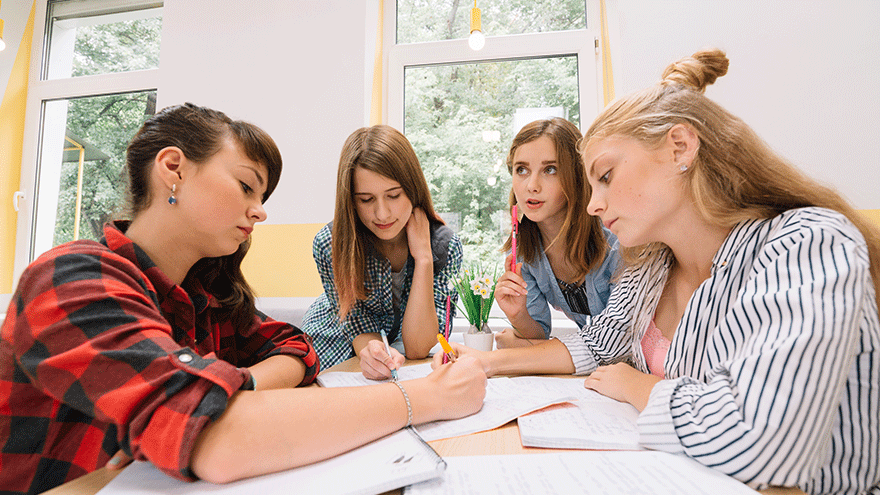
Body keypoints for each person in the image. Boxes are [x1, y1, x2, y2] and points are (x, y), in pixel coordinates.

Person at [436, 50, 880, 494]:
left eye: (605, 177)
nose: (592, 205)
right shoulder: (652, 264)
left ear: (680, 148)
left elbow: (764, 442)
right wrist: (486, 360)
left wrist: (638, 386)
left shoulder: (807, 243)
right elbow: (598, 345)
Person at [0, 104, 486, 495]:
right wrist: (428, 396)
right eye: (246, 185)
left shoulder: (206, 293)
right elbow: (216, 437)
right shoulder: (71, 277)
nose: (259, 211)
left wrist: (238, 385)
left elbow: (297, 348)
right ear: (173, 169)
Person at [302, 125, 462, 376]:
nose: (382, 214)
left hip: (402, 351)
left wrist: (423, 259)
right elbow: (358, 329)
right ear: (351, 201)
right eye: (366, 200)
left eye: (394, 195)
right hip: (333, 343)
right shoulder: (329, 244)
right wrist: (375, 354)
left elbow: (419, 347)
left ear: (413, 189)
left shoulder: (445, 247)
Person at [493, 117, 620, 349]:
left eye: (550, 170)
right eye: (521, 169)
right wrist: (518, 314)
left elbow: (617, 339)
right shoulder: (525, 254)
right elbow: (539, 332)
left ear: (576, 175)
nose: (532, 185)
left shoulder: (616, 242)